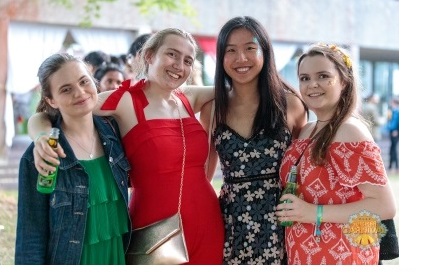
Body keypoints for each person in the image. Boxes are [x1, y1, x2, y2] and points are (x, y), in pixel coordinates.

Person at [27, 28, 223, 265]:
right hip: (154, 228)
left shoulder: (188, 97)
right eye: (172, 54)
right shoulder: (125, 100)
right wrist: (41, 136)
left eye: (188, 60)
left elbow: (239, 91)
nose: (179, 65)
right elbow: (53, 110)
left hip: (207, 219)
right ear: (149, 56)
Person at [275, 43, 396, 265]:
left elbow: (384, 206)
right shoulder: (306, 130)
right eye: (304, 78)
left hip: (342, 255)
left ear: (344, 81)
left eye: (323, 76)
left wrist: (313, 213)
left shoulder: (351, 131)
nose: (312, 85)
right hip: (302, 252)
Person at [199, 16, 307, 264]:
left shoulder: (290, 104)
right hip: (230, 222)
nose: (241, 59)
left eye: (250, 48)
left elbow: (304, 169)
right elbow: (203, 172)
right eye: (231, 51)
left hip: (283, 220)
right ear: (220, 57)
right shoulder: (212, 109)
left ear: (265, 52)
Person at [15, 53, 131, 264]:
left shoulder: (115, 133)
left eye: (84, 81)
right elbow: (30, 236)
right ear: (51, 100)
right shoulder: (41, 154)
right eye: (66, 89)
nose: (80, 92)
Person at [386, 97, 399, 173]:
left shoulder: (397, 111)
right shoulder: (392, 111)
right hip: (391, 131)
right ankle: (391, 166)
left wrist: (396, 130)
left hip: (395, 132)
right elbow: (389, 121)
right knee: (392, 149)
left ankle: (396, 166)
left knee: (393, 149)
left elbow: (396, 122)